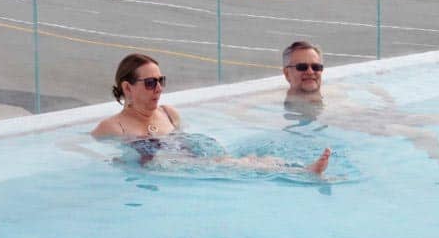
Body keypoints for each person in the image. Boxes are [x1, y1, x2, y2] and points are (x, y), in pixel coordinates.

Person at [93, 53, 330, 174]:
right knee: (232, 165)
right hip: (165, 169)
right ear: (127, 88)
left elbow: (191, 143)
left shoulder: (169, 114)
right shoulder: (114, 128)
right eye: (150, 83)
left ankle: (298, 169)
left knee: (236, 161)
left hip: (190, 162)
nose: (159, 89)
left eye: (161, 81)